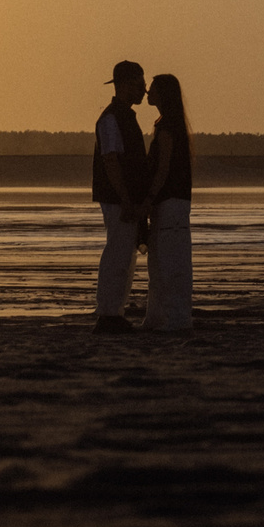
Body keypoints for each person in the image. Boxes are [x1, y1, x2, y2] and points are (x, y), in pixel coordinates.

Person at [92, 61, 150, 333]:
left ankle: (114, 311)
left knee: (125, 255)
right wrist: (125, 199)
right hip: (118, 199)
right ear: (125, 85)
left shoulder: (122, 116)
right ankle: (108, 313)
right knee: (118, 253)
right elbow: (111, 160)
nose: (144, 90)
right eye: (139, 84)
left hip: (124, 198)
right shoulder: (112, 118)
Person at [142, 71, 194, 332]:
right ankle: (159, 318)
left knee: (168, 262)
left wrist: (150, 198)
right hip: (175, 202)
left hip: (169, 202)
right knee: (166, 261)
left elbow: (162, 169)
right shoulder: (171, 124)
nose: (147, 92)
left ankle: (173, 319)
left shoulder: (167, 127)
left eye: (152, 89)